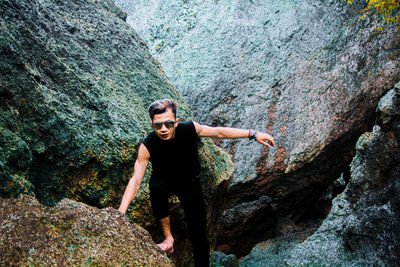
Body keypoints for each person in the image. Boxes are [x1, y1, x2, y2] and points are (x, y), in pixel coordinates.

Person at [118, 99, 275, 266]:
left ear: (176, 122)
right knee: (156, 187)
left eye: (168, 124)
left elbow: (219, 132)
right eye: (158, 125)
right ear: (151, 125)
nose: (163, 129)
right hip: (164, 181)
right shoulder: (148, 145)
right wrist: (121, 212)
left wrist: (254, 134)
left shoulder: (189, 129)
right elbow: (135, 180)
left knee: (199, 234)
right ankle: (168, 239)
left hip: (189, 182)